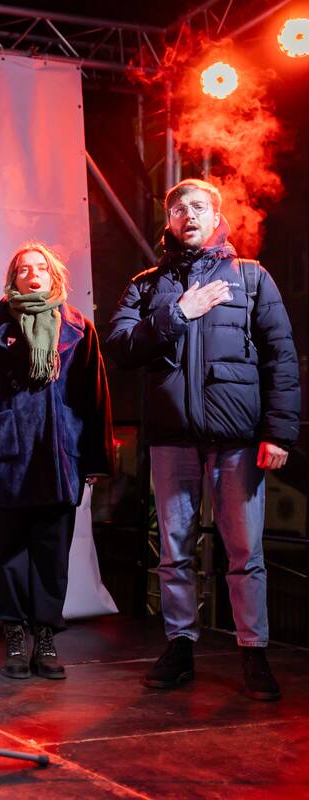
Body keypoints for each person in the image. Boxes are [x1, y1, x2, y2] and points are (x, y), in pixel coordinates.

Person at [106, 178, 300, 701]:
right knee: (173, 551)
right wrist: (178, 313)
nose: (188, 214)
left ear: (217, 218)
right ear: (168, 221)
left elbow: (280, 357)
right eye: (178, 208)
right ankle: (180, 646)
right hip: (172, 439)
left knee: (244, 551)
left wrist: (279, 432)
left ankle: (253, 650)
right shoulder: (147, 284)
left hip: (238, 440)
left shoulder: (252, 277)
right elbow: (120, 345)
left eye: (198, 207)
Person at [0, 243, 113, 679]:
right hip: (7, 457)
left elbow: (95, 397)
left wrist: (95, 459)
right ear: (13, 280)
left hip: (59, 456)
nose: (32, 274)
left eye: (40, 267)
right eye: (23, 269)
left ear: (53, 275)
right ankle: (14, 634)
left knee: (51, 552)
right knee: (9, 553)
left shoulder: (78, 328)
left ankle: (44, 636)